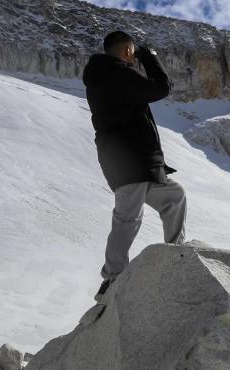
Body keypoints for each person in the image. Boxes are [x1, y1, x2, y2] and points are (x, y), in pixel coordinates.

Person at [82, 31, 187, 300]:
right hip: (129, 160)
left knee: (174, 196)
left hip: (130, 161)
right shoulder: (117, 74)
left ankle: (176, 253)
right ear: (128, 51)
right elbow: (160, 87)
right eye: (132, 52)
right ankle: (113, 277)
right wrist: (150, 58)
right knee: (128, 217)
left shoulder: (102, 76)